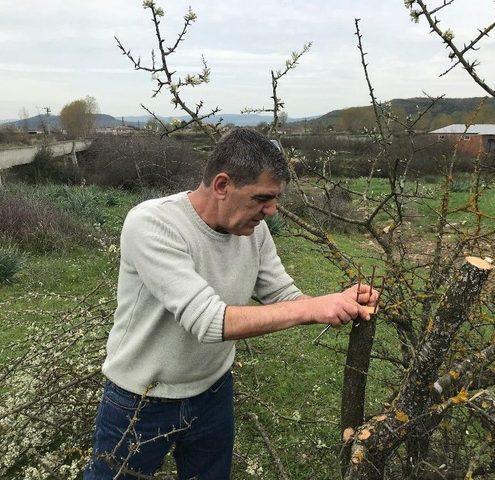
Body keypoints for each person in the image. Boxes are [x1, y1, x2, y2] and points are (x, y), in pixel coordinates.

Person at [84, 127, 378, 479]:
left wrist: (335, 302)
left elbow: (284, 295)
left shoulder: (253, 231)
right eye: (262, 198)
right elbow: (208, 322)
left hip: (213, 391)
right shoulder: (153, 223)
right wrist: (309, 309)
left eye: (275, 199)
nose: (272, 211)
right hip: (142, 398)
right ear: (222, 185)